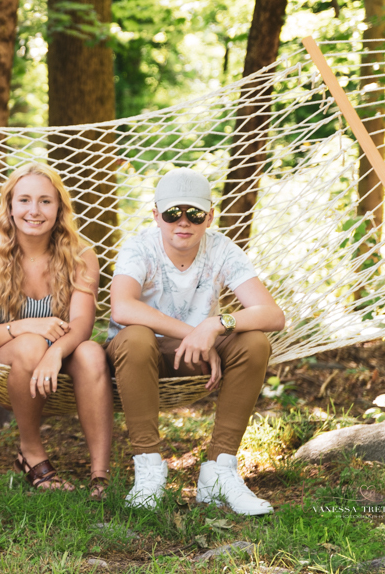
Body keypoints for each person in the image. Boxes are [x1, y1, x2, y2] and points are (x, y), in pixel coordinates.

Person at [107, 168, 286, 515]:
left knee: (255, 342)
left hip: (196, 353)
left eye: (195, 213)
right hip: (140, 355)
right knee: (137, 336)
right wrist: (192, 331)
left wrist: (218, 324)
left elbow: (272, 314)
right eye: (173, 213)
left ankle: (219, 471)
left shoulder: (221, 249)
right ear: (156, 215)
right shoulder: (139, 247)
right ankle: (148, 470)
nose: (183, 222)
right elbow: (122, 306)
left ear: (210, 216)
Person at [0, 162, 113, 497]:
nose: (35, 210)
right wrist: (28, 327)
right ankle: (31, 452)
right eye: (25, 200)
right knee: (31, 344)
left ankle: (99, 475)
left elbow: (82, 327)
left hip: (60, 350)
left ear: (59, 207)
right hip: (8, 355)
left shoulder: (81, 256)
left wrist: (55, 352)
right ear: (10, 207)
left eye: (45, 201)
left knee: (90, 353)